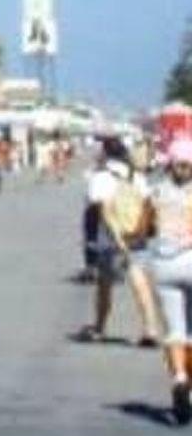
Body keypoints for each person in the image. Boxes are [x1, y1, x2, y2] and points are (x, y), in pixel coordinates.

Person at [77, 136, 162, 346]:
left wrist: (116, 237)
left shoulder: (101, 177)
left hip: (110, 237)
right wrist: (141, 230)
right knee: (140, 279)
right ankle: (150, 328)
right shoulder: (136, 175)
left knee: (105, 284)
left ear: (105, 153)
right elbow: (148, 204)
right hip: (136, 233)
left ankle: (100, 327)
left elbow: (102, 209)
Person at [143, 138, 192, 424]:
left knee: (174, 330)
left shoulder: (156, 191)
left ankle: (180, 378)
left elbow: (144, 228)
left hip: (164, 265)